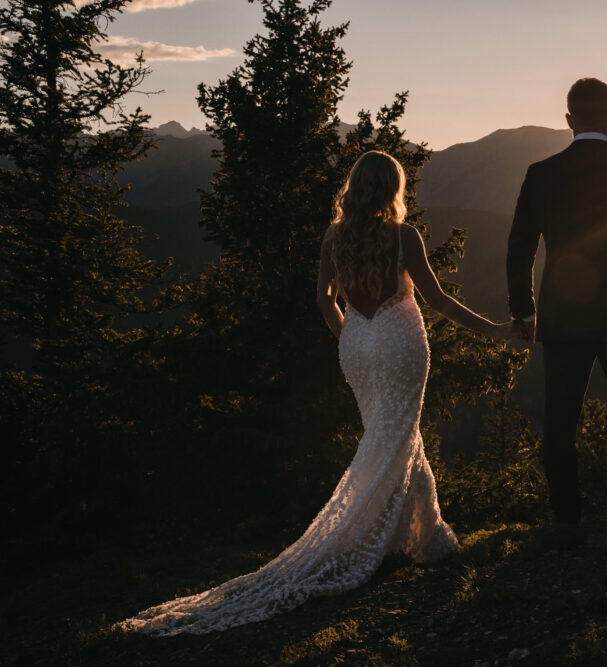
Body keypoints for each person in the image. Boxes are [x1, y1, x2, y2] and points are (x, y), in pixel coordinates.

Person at [118, 150, 516, 636]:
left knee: (389, 439)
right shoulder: (403, 236)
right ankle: (395, 539)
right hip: (399, 341)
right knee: (395, 437)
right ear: (393, 187)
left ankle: (417, 536)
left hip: (358, 346)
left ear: (354, 185)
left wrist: (350, 336)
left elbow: (325, 300)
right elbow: (435, 300)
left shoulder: (334, 236)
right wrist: (496, 329)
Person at [506, 77, 607, 543]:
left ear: (568, 120)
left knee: (559, 424)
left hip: (562, 317)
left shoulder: (541, 173)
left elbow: (519, 247)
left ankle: (567, 524)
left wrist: (524, 312)